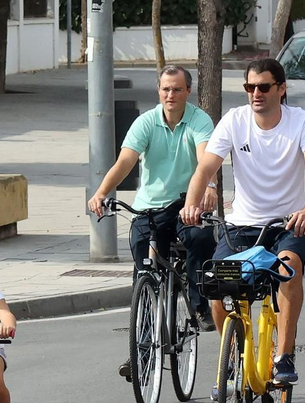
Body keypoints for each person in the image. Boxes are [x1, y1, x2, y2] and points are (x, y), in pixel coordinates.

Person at [183, 58, 305, 387]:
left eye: (263, 87)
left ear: (281, 88)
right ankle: (231, 353)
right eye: (250, 87)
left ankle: (284, 356)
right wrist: (192, 204)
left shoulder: (301, 121)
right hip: (241, 226)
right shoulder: (235, 121)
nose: (256, 93)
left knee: (288, 269)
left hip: (289, 224)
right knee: (216, 285)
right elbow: (206, 167)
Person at [88, 66, 217, 375]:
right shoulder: (146, 122)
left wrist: (208, 188)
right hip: (150, 208)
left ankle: (199, 304)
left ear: (188, 91)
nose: (170, 95)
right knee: (142, 268)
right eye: (165, 89)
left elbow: (205, 159)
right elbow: (125, 162)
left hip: (187, 203)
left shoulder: (199, 120)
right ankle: (141, 353)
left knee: (200, 240)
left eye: (176, 89)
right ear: (158, 91)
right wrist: (102, 192)